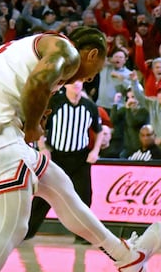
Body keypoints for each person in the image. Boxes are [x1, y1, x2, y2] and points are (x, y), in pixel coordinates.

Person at [0, 27, 161, 272]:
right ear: (91, 55)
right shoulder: (65, 51)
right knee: (9, 226)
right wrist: (32, 125)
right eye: (95, 71)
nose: (87, 81)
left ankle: (126, 257)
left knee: (58, 183)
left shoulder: (33, 49)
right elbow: (36, 83)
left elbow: (26, 83)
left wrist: (30, 117)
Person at [25, 78, 103, 244]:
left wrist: (95, 151)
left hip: (80, 158)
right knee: (44, 196)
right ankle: (27, 231)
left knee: (84, 196)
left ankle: (82, 236)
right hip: (57, 156)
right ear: (65, 85)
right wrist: (43, 148)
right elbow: (40, 125)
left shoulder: (90, 106)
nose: (76, 85)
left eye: (79, 82)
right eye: (72, 82)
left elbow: (99, 131)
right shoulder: (55, 102)